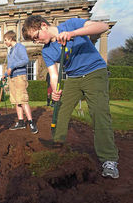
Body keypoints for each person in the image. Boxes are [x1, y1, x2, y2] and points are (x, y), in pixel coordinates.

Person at [22, 15, 119, 179]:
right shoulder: (47, 51)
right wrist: (55, 90)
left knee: (99, 113)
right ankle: (58, 147)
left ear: (44, 26)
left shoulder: (72, 24)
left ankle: (109, 160)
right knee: (60, 111)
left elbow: (102, 26)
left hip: (94, 72)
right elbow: (53, 75)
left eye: (36, 36)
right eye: (34, 40)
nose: (37, 41)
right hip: (73, 78)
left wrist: (73, 33)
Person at [2, 30, 38, 134]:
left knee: (22, 100)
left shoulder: (20, 47)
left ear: (10, 38)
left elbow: (25, 60)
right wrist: (5, 75)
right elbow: (10, 67)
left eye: (5, 40)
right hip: (12, 78)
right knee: (16, 101)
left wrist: (12, 67)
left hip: (20, 77)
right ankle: (21, 122)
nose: (5, 42)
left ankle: (31, 122)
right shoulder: (11, 50)